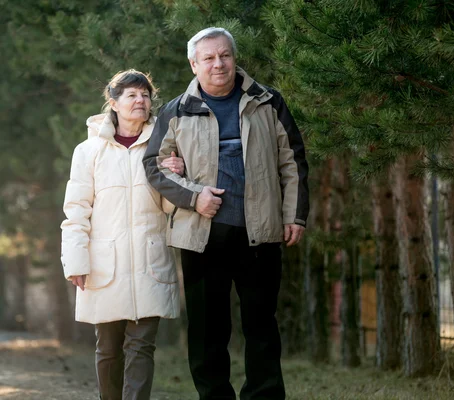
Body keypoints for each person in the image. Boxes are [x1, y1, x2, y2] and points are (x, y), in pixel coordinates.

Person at [143, 27, 309, 399]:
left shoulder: (268, 101)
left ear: (234, 58)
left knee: (261, 325)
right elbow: (154, 166)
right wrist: (194, 197)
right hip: (202, 237)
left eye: (225, 55)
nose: (219, 64)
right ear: (194, 64)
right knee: (206, 330)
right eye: (209, 58)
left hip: (260, 232)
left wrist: (294, 215)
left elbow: (292, 161)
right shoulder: (175, 110)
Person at [60, 69, 184, 400]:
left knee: (142, 347)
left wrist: (176, 177)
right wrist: (76, 260)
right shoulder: (88, 151)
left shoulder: (164, 144)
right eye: (131, 95)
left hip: (150, 261)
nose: (140, 101)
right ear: (113, 103)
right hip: (105, 264)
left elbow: (172, 209)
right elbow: (76, 210)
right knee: (109, 349)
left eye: (145, 95)